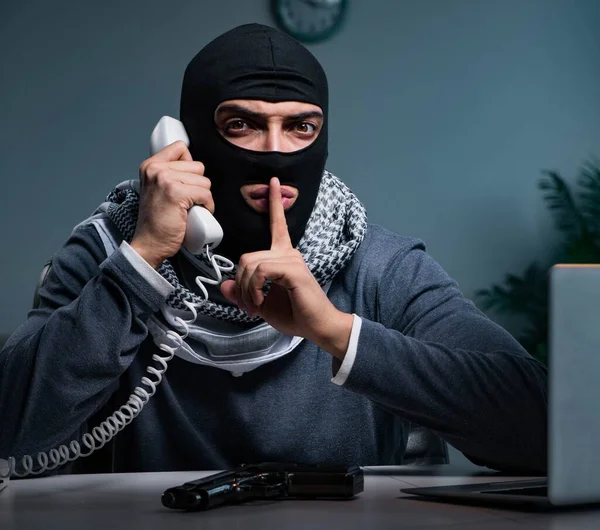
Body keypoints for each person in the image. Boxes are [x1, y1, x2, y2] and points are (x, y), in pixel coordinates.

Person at [0, 23, 547, 476]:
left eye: (301, 127)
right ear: (183, 142)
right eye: (242, 125)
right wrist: (142, 261)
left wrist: (333, 330)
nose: (274, 155)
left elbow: (543, 426)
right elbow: (10, 432)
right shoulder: (108, 249)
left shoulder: (379, 266)